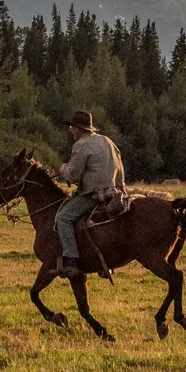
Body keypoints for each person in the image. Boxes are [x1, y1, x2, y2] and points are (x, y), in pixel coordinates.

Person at [55, 108, 125, 279]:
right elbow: (119, 164)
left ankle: (71, 260)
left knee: (63, 218)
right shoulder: (107, 140)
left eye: (72, 127)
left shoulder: (81, 145)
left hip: (94, 195)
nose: (70, 130)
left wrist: (63, 169)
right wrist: (121, 187)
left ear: (79, 129)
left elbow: (73, 175)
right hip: (114, 192)